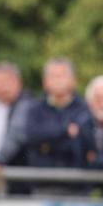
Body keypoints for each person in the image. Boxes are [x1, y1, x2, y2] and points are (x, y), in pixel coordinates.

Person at [24, 58, 89, 194]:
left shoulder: (85, 109)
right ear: (45, 82)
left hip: (77, 187)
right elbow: (32, 137)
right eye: (53, 76)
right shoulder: (34, 109)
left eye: (62, 75)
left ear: (73, 80)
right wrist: (66, 131)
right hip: (43, 185)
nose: (58, 80)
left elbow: (82, 143)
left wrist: (47, 142)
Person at [0, 62, 36, 194]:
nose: (2, 87)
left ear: (18, 82)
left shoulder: (27, 105)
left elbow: (16, 135)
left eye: (6, 81)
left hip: (16, 180)